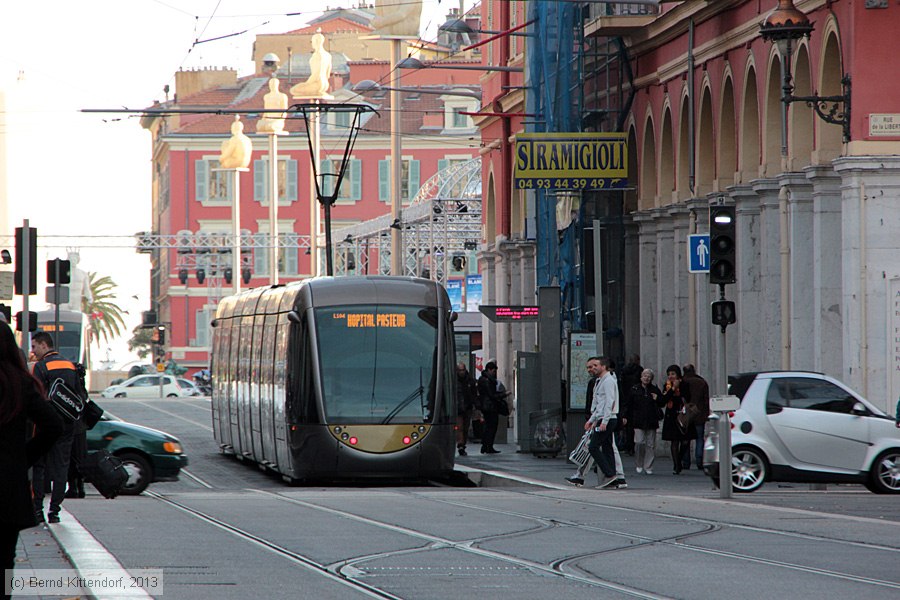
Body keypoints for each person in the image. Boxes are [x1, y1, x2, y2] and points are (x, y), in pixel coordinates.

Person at [1, 324, 63, 593]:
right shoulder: (19, 383)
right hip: (7, 490)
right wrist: (24, 457)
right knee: (5, 562)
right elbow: (53, 425)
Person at [30, 332, 85, 524]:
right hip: (67, 424)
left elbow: (35, 396)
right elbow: (79, 395)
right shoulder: (70, 365)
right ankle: (54, 511)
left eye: (35, 346)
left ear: (44, 345)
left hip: (45, 424)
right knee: (61, 467)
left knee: (39, 466)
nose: (33, 351)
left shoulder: (41, 366)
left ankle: (38, 510)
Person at [584, 356, 619, 489]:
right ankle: (612, 477)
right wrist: (592, 420)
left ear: (603, 367)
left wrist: (604, 421)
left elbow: (610, 402)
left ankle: (609, 474)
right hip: (604, 418)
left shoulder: (608, 380)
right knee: (607, 447)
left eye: (595, 366)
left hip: (607, 419)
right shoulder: (600, 381)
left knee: (593, 447)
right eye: (590, 366)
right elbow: (599, 404)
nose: (593, 368)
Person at [660, 364, 695, 475]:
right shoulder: (667, 386)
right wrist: (673, 389)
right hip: (671, 416)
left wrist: (679, 388)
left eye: (673, 374)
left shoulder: (685, 384)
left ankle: (679, 459)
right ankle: (676, 465)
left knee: (685, 441)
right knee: (674, 441)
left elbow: (688, 398)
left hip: (683, 415)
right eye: (669, 374)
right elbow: (664, 400)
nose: (671, 376)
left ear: (678, 374)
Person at [629, 368, 663, 474]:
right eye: (645, 376)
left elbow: (662, 403)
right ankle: (639, 463)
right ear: (641, 377)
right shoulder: (635, 389)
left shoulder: (655, 390)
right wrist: (626, 416)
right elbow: (629, 404)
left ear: (651, 378)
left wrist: (657, 398)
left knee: (650, 444)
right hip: (638, 420)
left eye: (649, 376)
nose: (646, 378)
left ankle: (648, 466)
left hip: (651, 419)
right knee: (639, 442)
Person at [681, 363, 710, 469]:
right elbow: (706, 400)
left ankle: (686, 462)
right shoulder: (701, 382)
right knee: (699, 438)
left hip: (686, 415)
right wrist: (706, 413)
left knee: (686, 439)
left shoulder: (682, 382)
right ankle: (699, 461)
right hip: (699, 414)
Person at [477, 361, 507, 454]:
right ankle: (488, 446)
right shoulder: (487, 380)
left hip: (486, 406)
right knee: (491, 427)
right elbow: (492, 395)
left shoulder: (484, 379)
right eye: (493, 371)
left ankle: (486, 445)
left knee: (488, 427)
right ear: (489, 370)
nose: (494, 373)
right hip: (490, 406)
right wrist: (504, 394)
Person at [290, 32, 333, 98]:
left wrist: (307, 83)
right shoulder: (328, 55)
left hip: (316, 84)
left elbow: (317, 74)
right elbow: (328, 74)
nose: (312, 43)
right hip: (325, 84)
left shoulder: (317, 55)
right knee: (300, 86)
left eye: (312, 41)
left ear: (316, 41)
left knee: (293, 90)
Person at [617, 354, 643, 454]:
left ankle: (628, 446)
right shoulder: (639, 370)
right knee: (635, 424)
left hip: (626, 399)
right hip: (636, 399)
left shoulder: (624, 370)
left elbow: (621, 384)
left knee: (627, 425)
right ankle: (634, 445)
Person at [455, 363, 478, 456]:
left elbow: (474, 394)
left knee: (465, 427)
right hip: (458, 408)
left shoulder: (470, 380)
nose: (462, 372)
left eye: (463, 370)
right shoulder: (454, 380)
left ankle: (463, 444)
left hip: (467, 407)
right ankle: (460, 445)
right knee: (460, 427)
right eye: (460, 370)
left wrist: (475, 405)